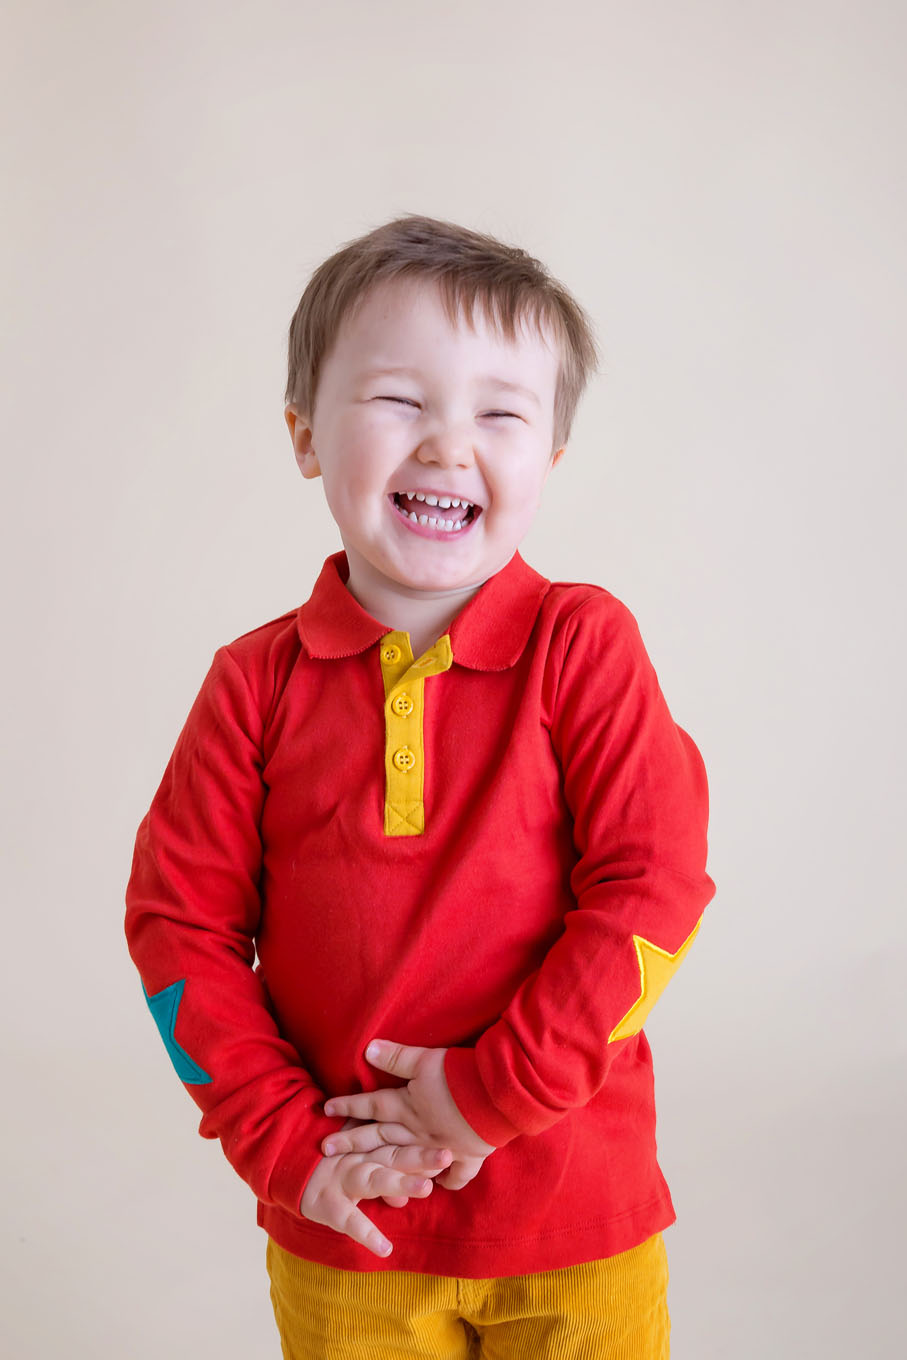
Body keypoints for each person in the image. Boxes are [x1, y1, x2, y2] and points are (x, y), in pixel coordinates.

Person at [125, 212, 716, 1358]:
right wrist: (285, 1144)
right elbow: (176, 931)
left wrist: (490, 1094)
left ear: (545, 460)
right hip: (349, 1228)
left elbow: (657, 892)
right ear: (303, 434)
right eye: (400, 399)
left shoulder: (583, 645)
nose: (450, 447)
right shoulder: (251, 685)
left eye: (500, 412)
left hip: (574, 1218)